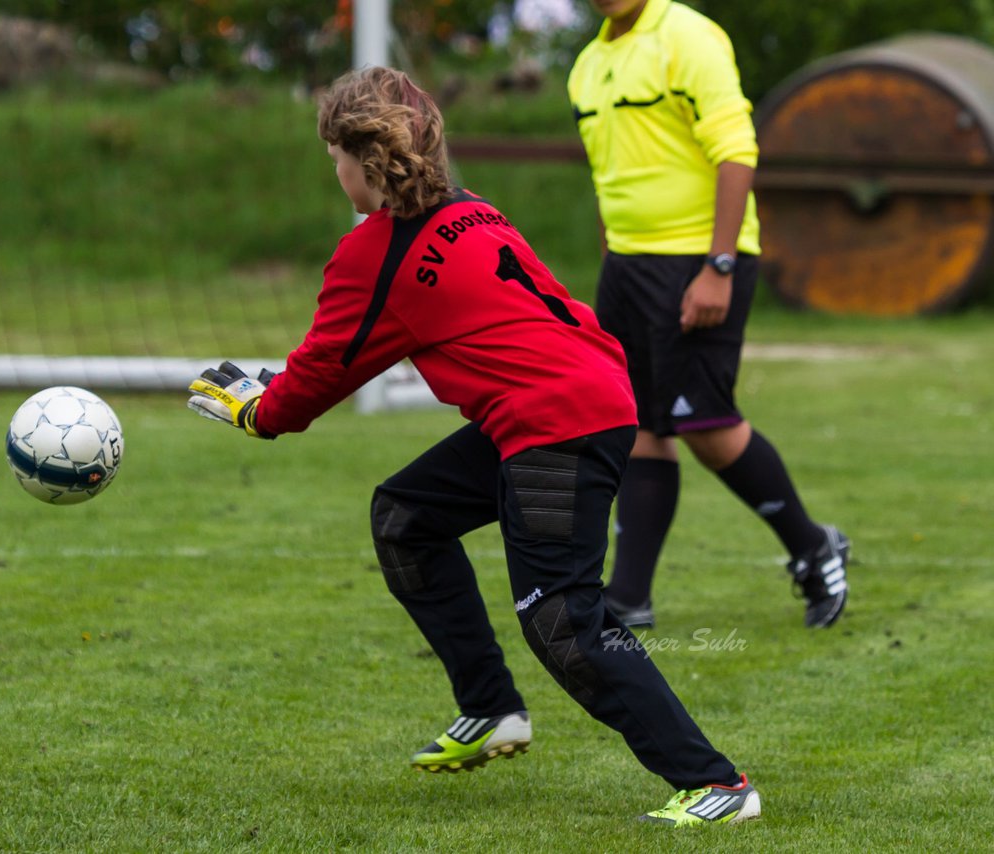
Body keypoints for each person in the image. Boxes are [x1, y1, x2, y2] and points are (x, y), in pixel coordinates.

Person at [187, 66, 760, 826]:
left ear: (361, 159)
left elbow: (313, 388)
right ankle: (492, 710)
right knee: (405, 517)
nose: (334, 172)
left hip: (557, 424)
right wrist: (281, 387)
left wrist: (257, 413)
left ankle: (716, 784)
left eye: (334, 156)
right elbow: (341, 359)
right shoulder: (473, 210)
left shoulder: (372, 256)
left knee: (562, 616)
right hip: (581, 401)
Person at [566, 0, 850, 629]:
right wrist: (612, 259)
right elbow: (608, 174)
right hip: (628, 267)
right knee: (636, 422)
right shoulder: (588, 64)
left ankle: (813, 547)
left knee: (707, 425)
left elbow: (736, 151)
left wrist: (718, 265)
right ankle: (628, 599)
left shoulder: (689, 37)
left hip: (699, 260)